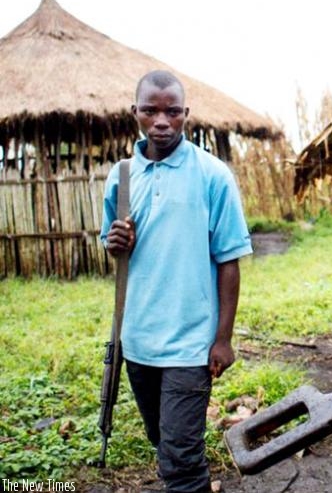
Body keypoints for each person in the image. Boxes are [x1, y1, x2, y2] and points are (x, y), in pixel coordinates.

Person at [100, 70, 252, 492]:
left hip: (190, 344)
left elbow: (229, 261)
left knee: (182, 458)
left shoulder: (212, 175)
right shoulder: (122, 177)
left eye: (172, 112)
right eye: (151, 111)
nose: (161, 122)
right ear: (135, 112)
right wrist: (115, 243)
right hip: (137, 339)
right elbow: (112, 246)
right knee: (163, 441)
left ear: (186, 113)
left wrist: (223, 339)